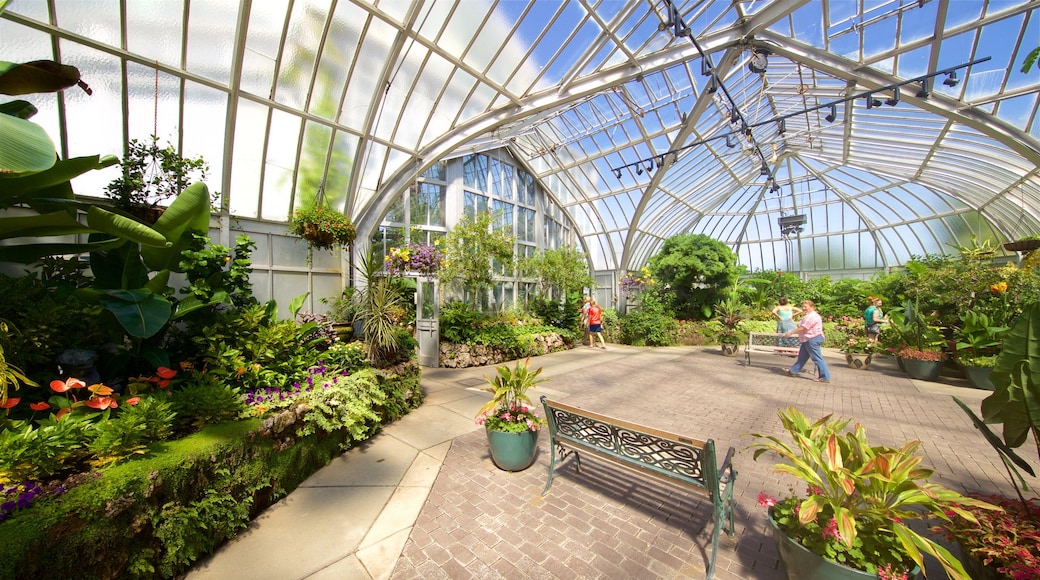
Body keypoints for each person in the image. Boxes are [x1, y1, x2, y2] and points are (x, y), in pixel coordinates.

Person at [783, 299, 832, 383]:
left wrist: (790, 333)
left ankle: (824, 377)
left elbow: (804, 328)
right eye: (802, 306)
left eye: (805, 306)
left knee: (817, 358)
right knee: (802, 357)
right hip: (807, 339)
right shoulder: (808, 315)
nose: (803, 308)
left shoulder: (812, 316)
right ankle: (793, 371)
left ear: (812, 307)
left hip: (812, 338)